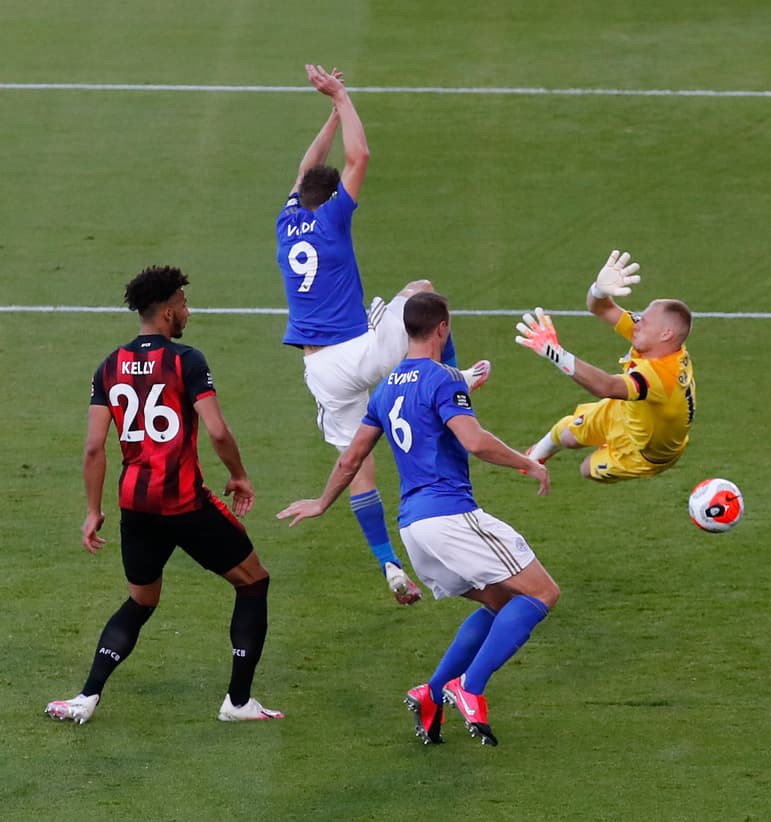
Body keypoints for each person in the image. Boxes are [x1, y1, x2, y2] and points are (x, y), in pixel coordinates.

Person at [278, 291, 557, 748]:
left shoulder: (386, 388)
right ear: (442, 328)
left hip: (413, 532)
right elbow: (474, 441)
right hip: (449, 517)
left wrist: (322, 503)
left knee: (500, 604)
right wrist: (527, 463)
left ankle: (430, 694)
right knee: (543, 593)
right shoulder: (442, 378)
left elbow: (351, 460)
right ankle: (470, 686)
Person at [276, 64, 490, 606]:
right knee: (423, 293)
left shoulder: (287, 221)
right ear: (332, 202)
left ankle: (390, 566)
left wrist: (328, 116)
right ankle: (453, 375)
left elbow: (308, 168)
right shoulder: (330, 221)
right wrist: (342, 98)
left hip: (321, 370)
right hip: (363, 351)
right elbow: (359, 158)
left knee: (359, 463)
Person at [46, 266, 282, 725]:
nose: (188, 313)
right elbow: (216, 429)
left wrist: (93, 511)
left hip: (135, 506)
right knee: (253, 581)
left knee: (141, 600)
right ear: (169, 309)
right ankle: (237, 702)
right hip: (184, 503)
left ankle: (86, 697)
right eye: (185, 304)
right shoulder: (187, 361)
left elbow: (95, 447)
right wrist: (239, 475)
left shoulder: (108, 366)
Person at [516, 249, 696, 482]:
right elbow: (601, 308)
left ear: (666, 334)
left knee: (587, 468)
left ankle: (607, 442)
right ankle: (533, 457)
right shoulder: (657, 341)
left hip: (643, 454)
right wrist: (599, 290)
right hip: (628, 411)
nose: (637, 323)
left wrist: (556, 354)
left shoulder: (662, 377)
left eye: (645, 321)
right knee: (569, 436)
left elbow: (607, 387)